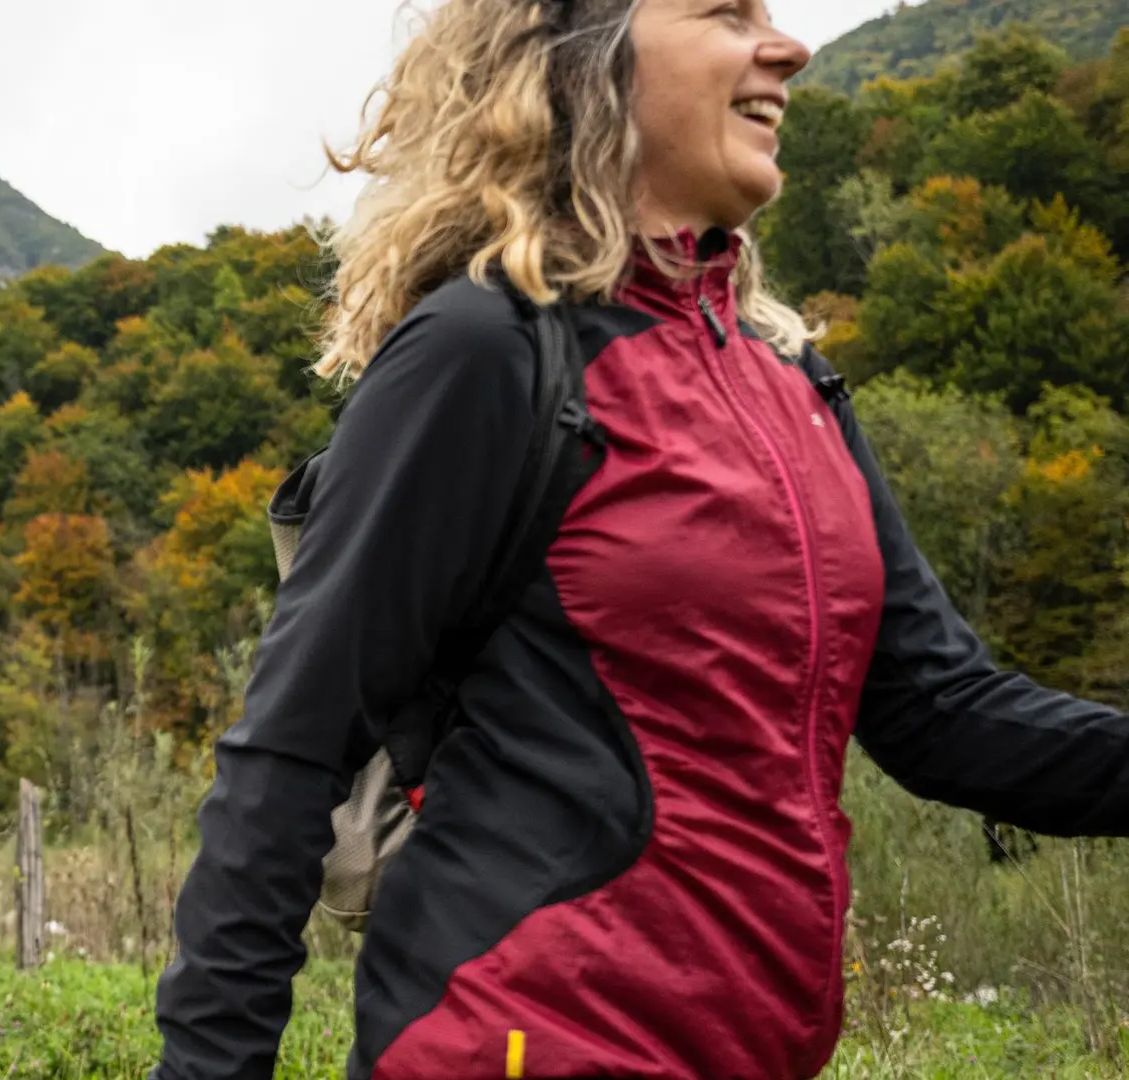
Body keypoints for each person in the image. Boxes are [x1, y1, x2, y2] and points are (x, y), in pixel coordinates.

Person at [151, 2, 1129, 1079]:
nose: (789, 47)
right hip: (514, 1044)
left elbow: (946, 714)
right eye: (725, 11)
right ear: (584, 57)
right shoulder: (487, 352)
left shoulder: (795, 387)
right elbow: (289, 755)